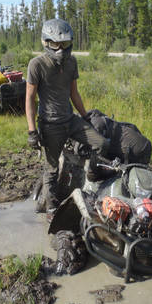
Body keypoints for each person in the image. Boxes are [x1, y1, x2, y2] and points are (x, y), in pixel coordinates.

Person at [26, 19, 108, 216]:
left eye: (64, 44)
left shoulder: (71, 62)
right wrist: (32, 131)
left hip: (70, 120)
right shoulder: (36, 65)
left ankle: (91, 176)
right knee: (52, 170)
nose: (61, 49)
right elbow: (29, 99)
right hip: (50, 125)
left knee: (102, 144)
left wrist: (85, 116)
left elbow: (74, 93)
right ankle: (52, 208)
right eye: (56, 44)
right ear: (46, 43)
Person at [85, 109, 152, 164]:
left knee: (93, 174)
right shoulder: (95, 116)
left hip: (134, 152)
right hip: (145, 144)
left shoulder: (93, 127)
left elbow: (98, 152)